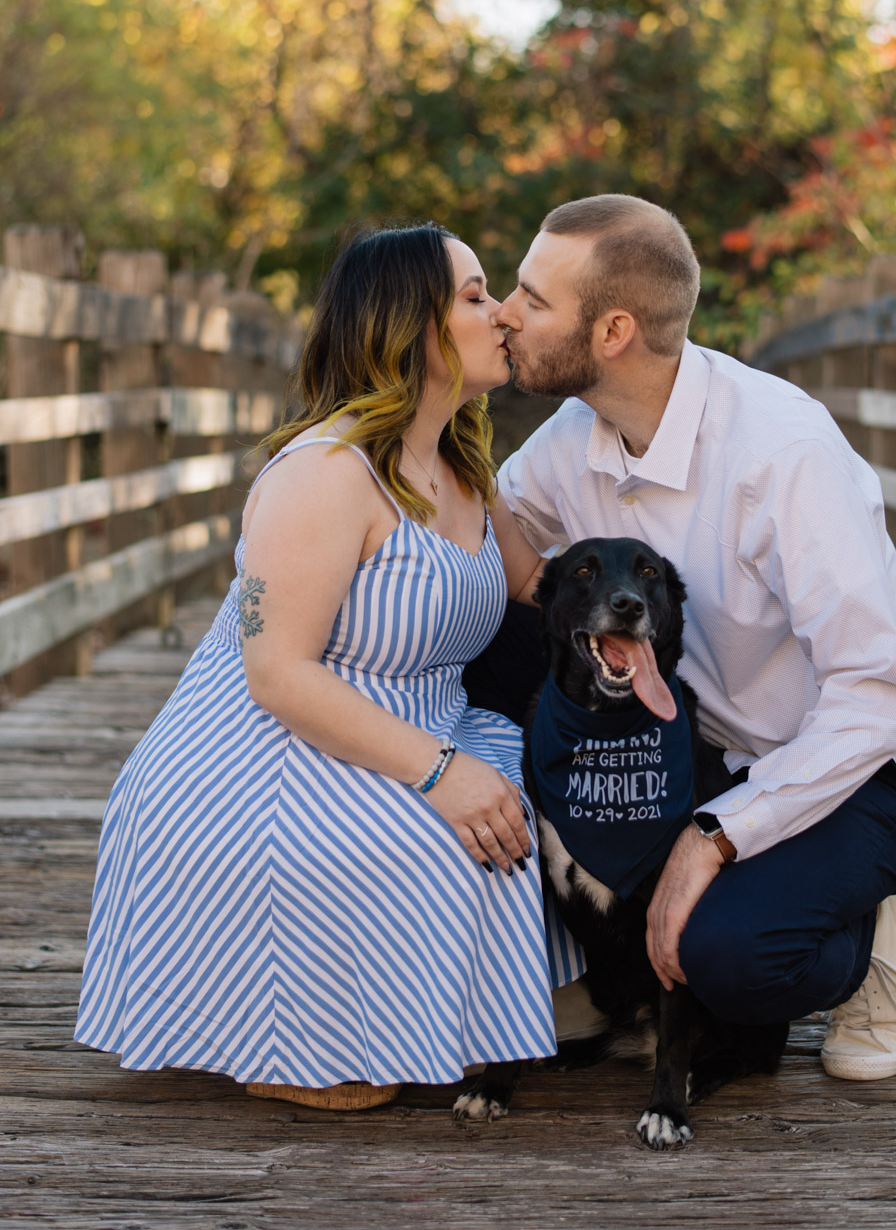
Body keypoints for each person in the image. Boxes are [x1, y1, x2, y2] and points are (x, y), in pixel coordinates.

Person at [75, 223, 570, 1108]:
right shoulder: (326, 473)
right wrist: (440, 774)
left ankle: (475, 1004)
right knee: (431, 839)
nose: (500, 314)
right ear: (407, 325)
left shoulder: (463, 466)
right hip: (273, 749)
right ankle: (289, 1036)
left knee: (531, 790)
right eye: (474, 295)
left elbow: (539, 586)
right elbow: (276, 674)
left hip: (422, 720)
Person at [488, 194, 896, 1081]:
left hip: (864, 772)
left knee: (727, 958)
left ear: (613, 331)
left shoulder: (782, 454)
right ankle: (601, 963)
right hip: (698, 741)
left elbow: (881, 696)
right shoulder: (570, 438)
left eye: (530, 298)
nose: (504, 315)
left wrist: (714, 835)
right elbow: (487, 539)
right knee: (479, 630)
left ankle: (859, 933)